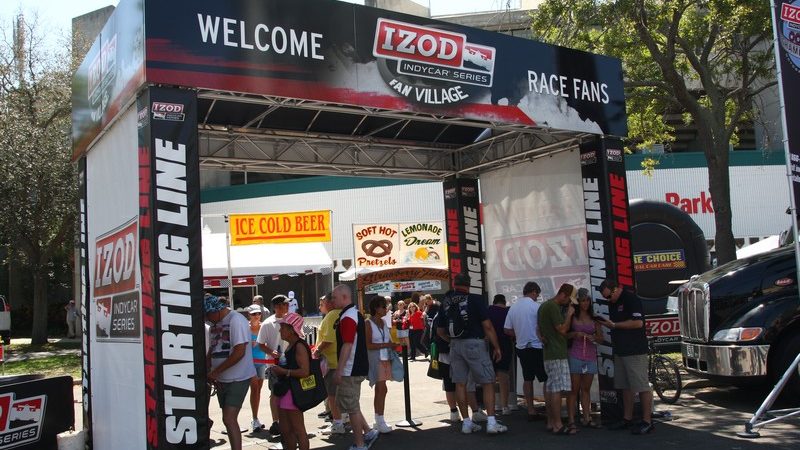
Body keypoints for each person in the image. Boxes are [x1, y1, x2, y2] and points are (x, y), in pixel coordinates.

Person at [437, 273, 507, 435]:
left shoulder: (446, 302)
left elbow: (440, 331)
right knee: (488, 382)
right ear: (468, 285)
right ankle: (491, 422)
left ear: (455, 284)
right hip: (475, 344)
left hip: (455, 345)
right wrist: (496, 347)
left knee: (459, 384)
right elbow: (488, 326)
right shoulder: (475, 300)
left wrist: (452, 341)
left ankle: (467, 423)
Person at [595, 279, 654, 434]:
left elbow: (637, 323)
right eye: (606, 298)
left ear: (616, 289)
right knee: (625, 386)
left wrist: (614, 325)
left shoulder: (631, 299)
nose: (609, 300)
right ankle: (627, 419)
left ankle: (647, 421)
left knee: (641, 385)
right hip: (620, 350)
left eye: (609, 297)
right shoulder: (613, 303)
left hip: (634, 350)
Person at [205, 295, 256, 450]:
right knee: (227, 418)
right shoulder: (215, 322)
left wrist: (216, 372)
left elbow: (239, 352)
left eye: (208, 315)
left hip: (238, 378)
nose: (207, 319)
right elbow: (212, 350)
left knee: (229, 418)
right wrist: (211, 371)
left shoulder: (236, 320)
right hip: (222, 379)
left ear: (217, 311)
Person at [332, 284, 379, 450]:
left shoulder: (348, 316)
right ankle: (368, 432)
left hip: (350, 369)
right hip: (355, 367)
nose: (332, 300)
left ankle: (360, 444)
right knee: (352, 405)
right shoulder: (353, 314)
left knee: (350, 407)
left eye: (334, 297)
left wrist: (339, 370)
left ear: (344, 297)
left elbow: (347, 344)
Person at [504, 281, 547, 421]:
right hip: (537, 346)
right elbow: (543, 327)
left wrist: (518, 334)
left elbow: (506, 329)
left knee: (527, 378)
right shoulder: (536, 307)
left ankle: (530, 409)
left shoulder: (514, 307)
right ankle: (551, 407)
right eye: (537, 294)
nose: (537, 297)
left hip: (521, 347)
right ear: (534, 291)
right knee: (545, 378)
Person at [537, 283, 577, 435]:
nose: (569, 303)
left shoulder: (543, 306)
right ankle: (558, 424)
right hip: (556, 354)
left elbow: (538, 329)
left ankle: (551, 422)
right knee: (557, 390)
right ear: (563, 294)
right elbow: (562, 329)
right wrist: (569, 315)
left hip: (550, 353)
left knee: (551, 387)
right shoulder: (553, 307)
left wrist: (542, 337)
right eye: (569, 299)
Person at [269, 312, 311, 450]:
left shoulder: (299, 346)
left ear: (292, 330)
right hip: (287, 392)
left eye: (283, 327)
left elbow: (305, 371)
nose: (280, 330)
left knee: (298, 430)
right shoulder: (291, 345)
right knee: (287, 431)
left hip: (293, 393)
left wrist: (283, 371)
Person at [567, 288, 603, 429]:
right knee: (574, 389)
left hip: (590, 355)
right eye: (582, 300)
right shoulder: (572, 317)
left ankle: (586, 417)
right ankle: (571, 419)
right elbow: (565, 334)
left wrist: (593, 337)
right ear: (578, 302)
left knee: (586, 389)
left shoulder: (594, 318)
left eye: (587, 300)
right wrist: (575, 334)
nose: (585, 303)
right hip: (575, 354)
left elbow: (601, 338)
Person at [313, 293, 346, 435]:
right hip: (341, 361)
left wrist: (317, 351)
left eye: (322, 303)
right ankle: (343, 419)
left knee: (332, 396)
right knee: (342, 395)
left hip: (333, 363)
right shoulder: (343, 313)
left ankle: (337, 423)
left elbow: (329, 340)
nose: (320, 306)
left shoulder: (332, 315)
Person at [257, 294, 290, 436]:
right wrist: (272, 352)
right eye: (284, 304)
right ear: (276, 307)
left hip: (291, 364)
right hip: (273, 365)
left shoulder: (292, 320)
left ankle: (289, 420)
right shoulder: (267, 323)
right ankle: (276, 422)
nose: (287, 306)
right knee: (275, 393)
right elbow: (260, 344)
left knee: (291, 392)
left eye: (287, 304)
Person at [365, 295, 395, 434]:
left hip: (385, 359)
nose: (386, 309)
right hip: (375, 359)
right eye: (384, 306)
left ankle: (378, 419)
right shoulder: (368, 323)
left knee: (381, 389)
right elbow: (368, 345)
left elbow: (388, 340)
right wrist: (386, 344)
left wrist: (391, 344)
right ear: (376, 308)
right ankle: (380, 420)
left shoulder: (383, 322)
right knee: (382, 388)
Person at [487, 294, 512, 416]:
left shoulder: (488, 310)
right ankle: (505, 406)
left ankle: (492, 405)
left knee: (490, 378)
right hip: (505, 344)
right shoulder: (508, 311)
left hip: (490, 345)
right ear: (504, 302)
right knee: (504, 376)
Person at [247, 305, 269, 432]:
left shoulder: (263, 327)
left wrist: (262, 345)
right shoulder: (245, 328)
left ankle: (255, 418)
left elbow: (268, 342)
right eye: (254, 314)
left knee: (258, 391)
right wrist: (250, 344)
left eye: (258, 314)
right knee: (254, 389)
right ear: (249, 315)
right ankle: (254, 419)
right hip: (249, 363)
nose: (256, 316)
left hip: (262, 362)